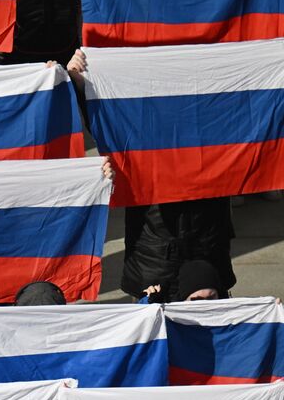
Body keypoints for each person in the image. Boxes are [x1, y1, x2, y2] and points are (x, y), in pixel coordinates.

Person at [65, 49, 236, 302]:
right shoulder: (141, 133)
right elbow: (108, 124)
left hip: (204, 261)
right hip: (157, 261)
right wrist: (82, 84)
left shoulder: (216, 129)